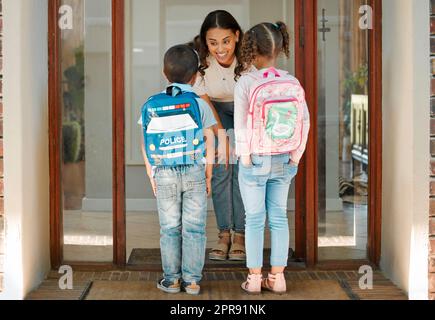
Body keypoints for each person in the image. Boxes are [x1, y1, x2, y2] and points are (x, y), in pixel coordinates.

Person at [234, 21, 310, 294]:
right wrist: (295, 158)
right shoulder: (292, 82)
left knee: (253, 219)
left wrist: (244, 159)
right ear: (279, 48)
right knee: (278, 217)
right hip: (284, 159)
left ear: (251, 50)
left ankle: (254, 279)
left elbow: (242, 126)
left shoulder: (246, 81)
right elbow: (305, 122)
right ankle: (278, 279)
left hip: (254, 158)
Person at [139, 45, 217, 295]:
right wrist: (208, 174)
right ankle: (192, 281)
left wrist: (152, 173)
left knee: (170, 228)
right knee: (195, 228)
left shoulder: (151, 104)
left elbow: (145, 142)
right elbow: (211, 140)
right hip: (195, 170)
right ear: (195, 76)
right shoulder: (199, 103)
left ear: (164, 73)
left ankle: (172, 280)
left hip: (164, 172)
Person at [192, 10, 251, 261]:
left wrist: (238, 139)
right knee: (220, 167)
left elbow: (251, 103)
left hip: (245, 112)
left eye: (226, 41)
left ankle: (241, 234)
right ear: (205, 42)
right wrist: (223, 138)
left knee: (241, 171)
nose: (220, 49)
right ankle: (224, 233)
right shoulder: (200, 62)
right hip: (214, 113)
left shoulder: (249, 58)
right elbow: (205, 104)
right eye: (213, 43)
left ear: (236, 36)